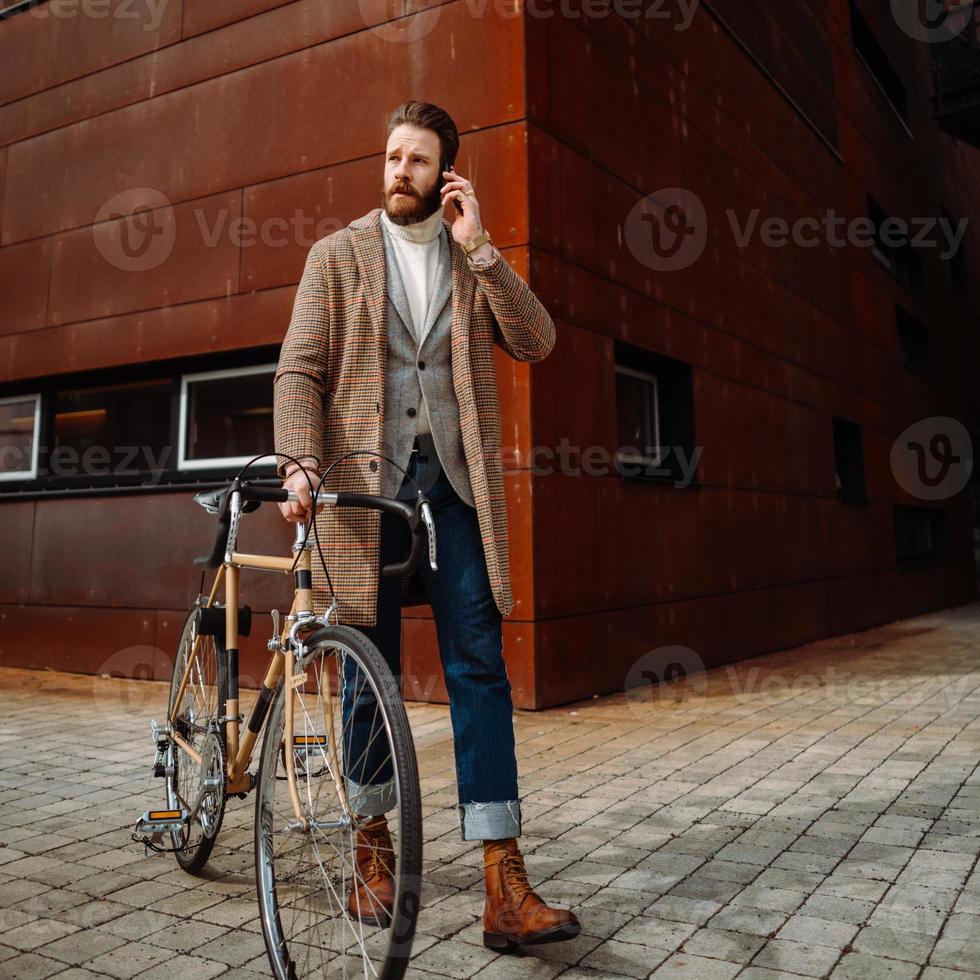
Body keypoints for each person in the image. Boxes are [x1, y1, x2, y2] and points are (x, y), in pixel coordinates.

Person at [272, 100, 580, 951]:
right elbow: (298, 371)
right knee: (367, 666)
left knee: (479, 666)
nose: (397, 170)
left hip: (451, 492)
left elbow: (539, 340)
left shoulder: (468, 260)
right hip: (364, 492)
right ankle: (372, 846)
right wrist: (299, 462)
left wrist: (481, 245)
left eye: (416, 160)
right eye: (391, 155)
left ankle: (502, 882)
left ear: (444, 173)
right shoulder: (335, 257)